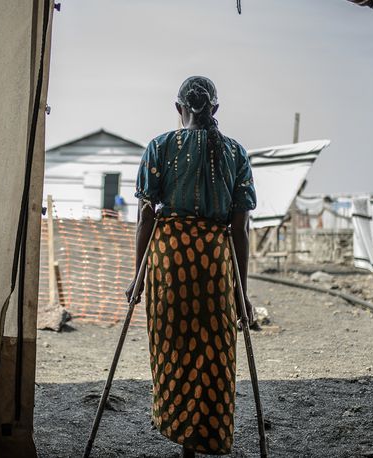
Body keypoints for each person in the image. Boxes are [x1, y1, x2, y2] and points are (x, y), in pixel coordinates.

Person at [126, 76, 257, 457]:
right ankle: (204, 438)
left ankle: (182, 433)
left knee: (175, 351)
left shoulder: (160, 147)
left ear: (178, 108)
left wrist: (139, 278)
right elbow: (240, 229)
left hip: (170, 265)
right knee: (213, 355)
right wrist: (241, 294)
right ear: (215, 110)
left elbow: (145, 219)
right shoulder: (236, 153)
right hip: (216, 265)